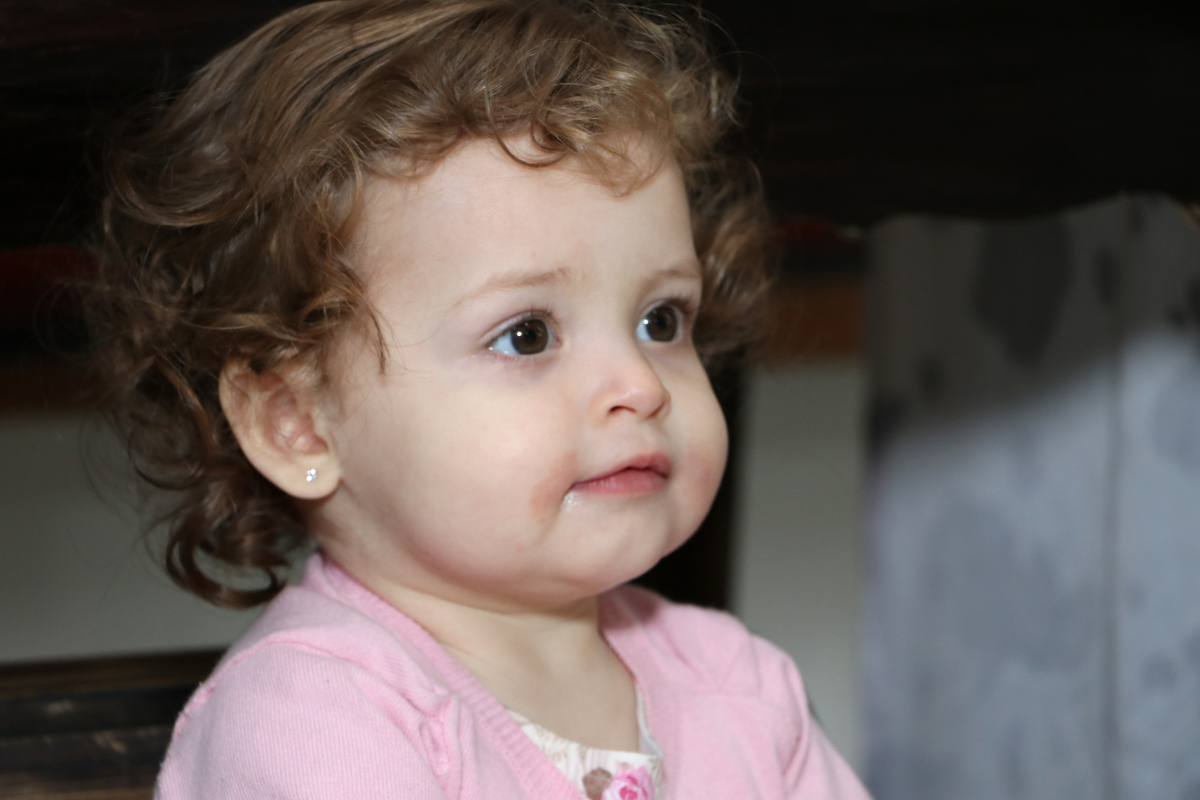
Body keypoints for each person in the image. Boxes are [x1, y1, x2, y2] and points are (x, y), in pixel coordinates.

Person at [91, 0, 871, 797]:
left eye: (660, 320)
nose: (640, 386)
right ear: (297, 423)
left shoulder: (737, 686)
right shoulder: (312, 724)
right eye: (527, 336)